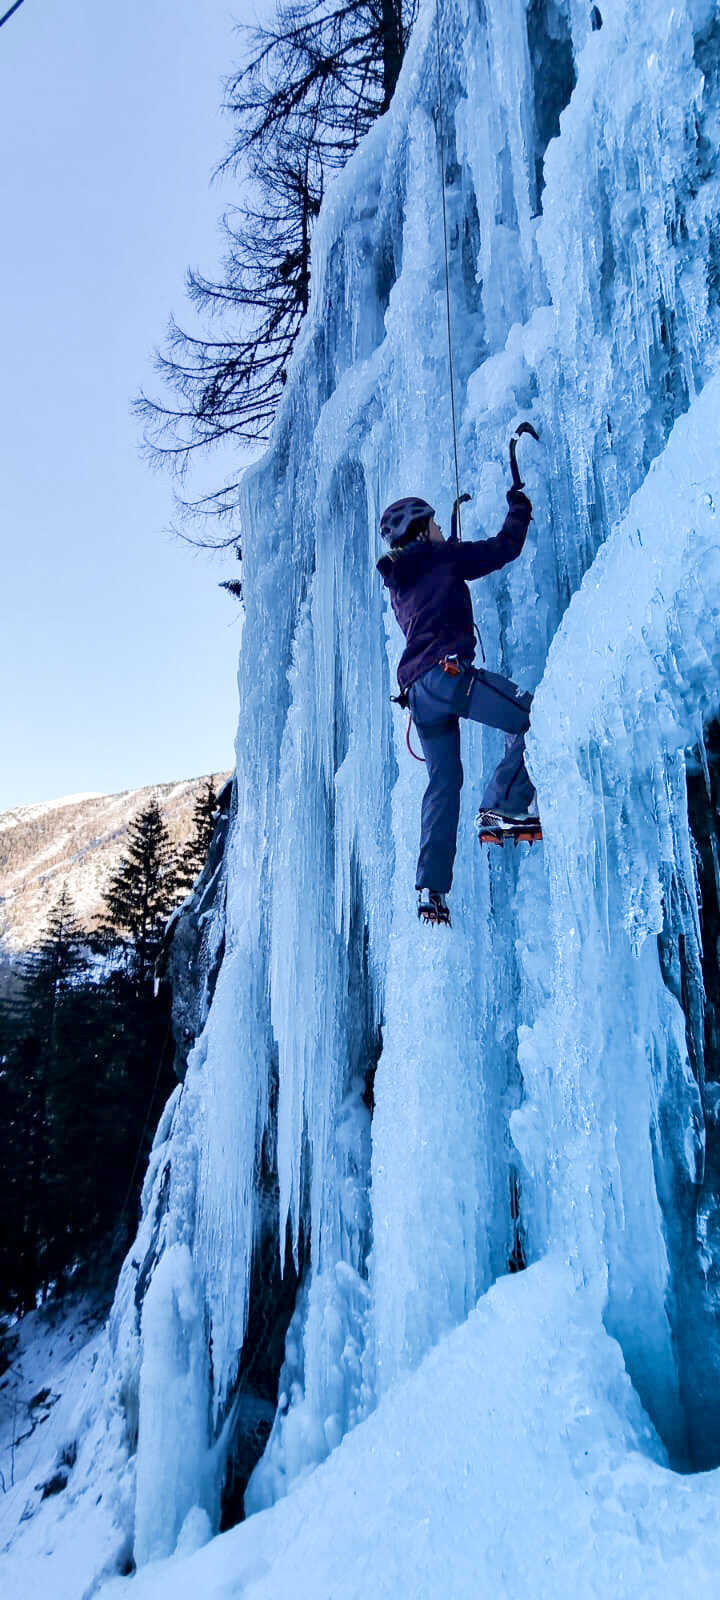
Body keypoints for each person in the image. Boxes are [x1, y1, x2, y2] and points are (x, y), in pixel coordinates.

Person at [377, 488, 537, 925]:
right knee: (534, 718)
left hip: (418, 696)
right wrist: (519, 507)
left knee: (443, 783)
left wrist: (446, 548)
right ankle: (504, 806)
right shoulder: (444, 557)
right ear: (421, 531)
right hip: (447, 676)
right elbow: (504, 548)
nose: (439, 529)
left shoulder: (399, 580)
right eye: (433, 523)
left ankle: (432, 890)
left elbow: (434, 586)